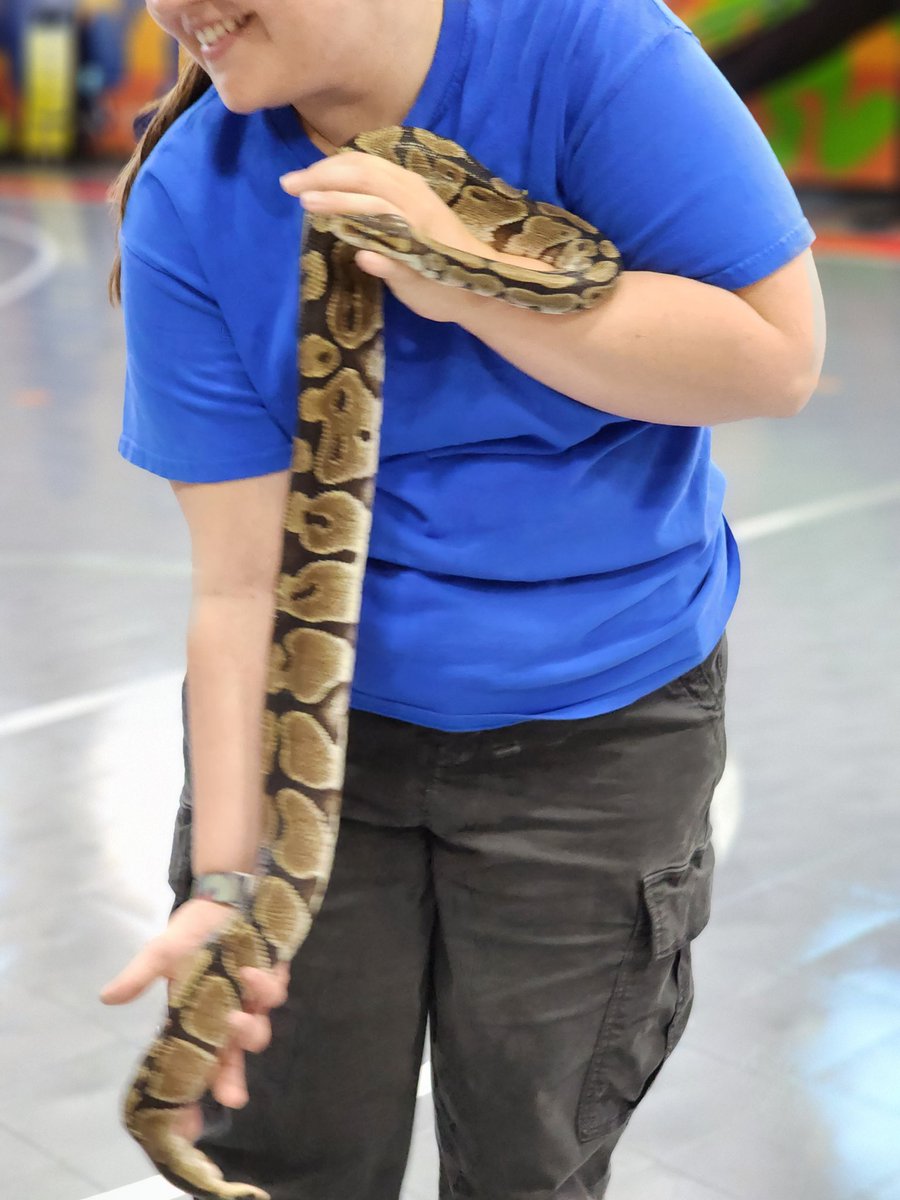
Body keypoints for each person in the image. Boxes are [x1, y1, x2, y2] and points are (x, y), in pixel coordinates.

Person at [99, 0, 827, 1197]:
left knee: (531, 1158)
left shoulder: (590, 48)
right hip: (330, 755)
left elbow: (777, 359)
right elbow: (239, 585)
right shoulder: (194, 190)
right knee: (289, 1150)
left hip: (600, 736)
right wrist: (226, 884)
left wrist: (463, 275)